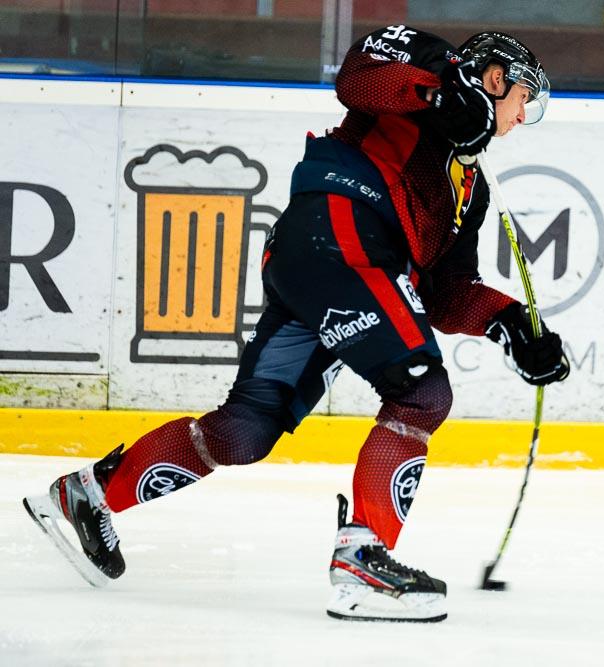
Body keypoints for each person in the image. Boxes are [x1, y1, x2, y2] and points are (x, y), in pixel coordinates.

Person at [22, 25, 570, 624]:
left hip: (332, 266)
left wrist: (510, 322)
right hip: (337, 234)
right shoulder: (432, 63)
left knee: (244, 432)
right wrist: (438, 93)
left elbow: (446, 294)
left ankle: (88, 494)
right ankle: (363, 558)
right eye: (524, 101)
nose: (523, 119)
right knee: (420, 389)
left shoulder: (471, 190)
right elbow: (359, 74)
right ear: (495, 80)